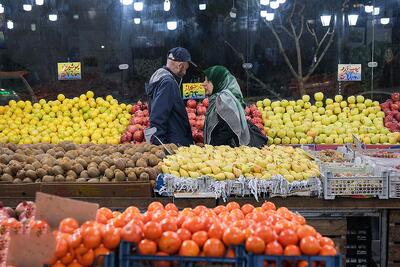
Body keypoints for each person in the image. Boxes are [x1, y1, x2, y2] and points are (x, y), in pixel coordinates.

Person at [202, 65, 267, 147]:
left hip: (226, 152)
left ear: (218, 81)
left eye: (207, 81)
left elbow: (230, 129)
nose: (203, 84)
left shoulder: (224, 99)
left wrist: (214, 145)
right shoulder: (219, 98)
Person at [145, 47, 194, 146]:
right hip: (173, 144)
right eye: (186, 69)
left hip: (172, 141)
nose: (185, 73)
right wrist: (159, 146)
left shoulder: (159, 77)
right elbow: (158, 116)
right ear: (180, 66)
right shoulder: (168, 83)